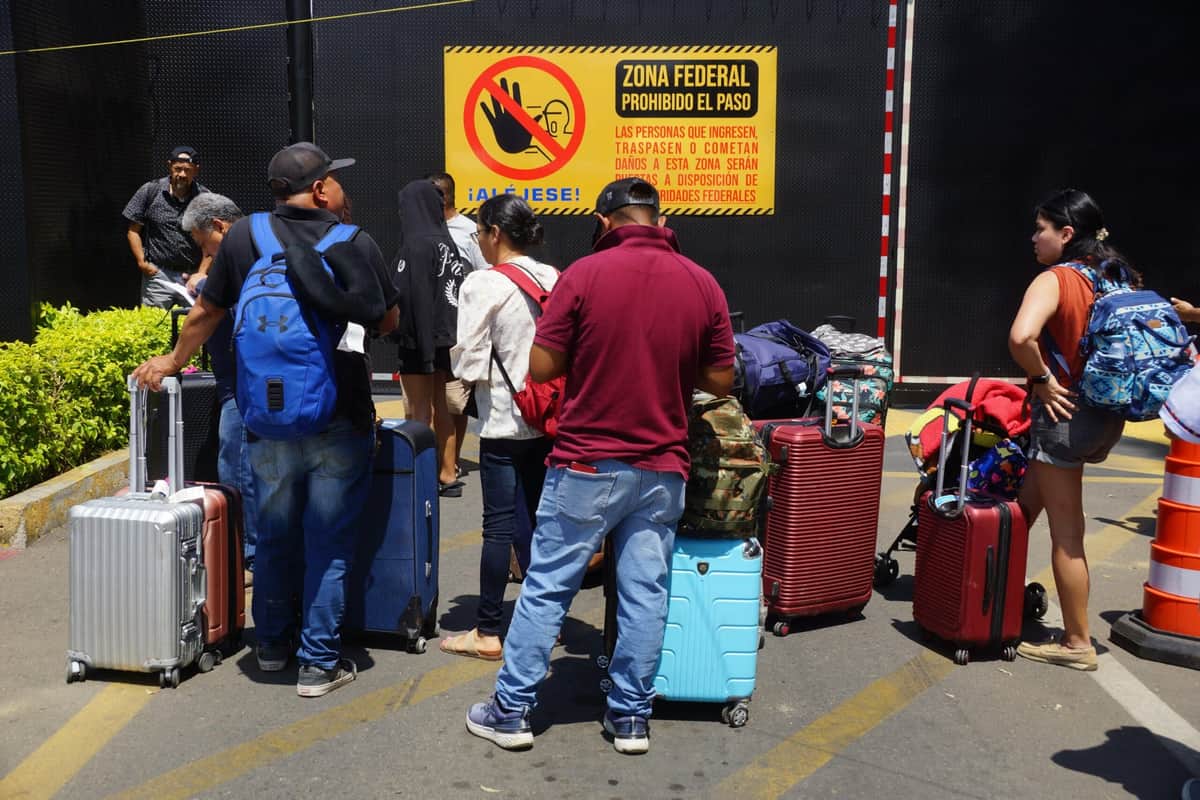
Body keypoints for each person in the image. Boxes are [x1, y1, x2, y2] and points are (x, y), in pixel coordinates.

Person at [464, 178, 735, 754]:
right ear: (659, 221)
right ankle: (630, 717)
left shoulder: (583, 275)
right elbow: (720, 379)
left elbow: (542, 368)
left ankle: (511, 710)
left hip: (587, 463)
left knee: (547, 587)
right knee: (645, 593)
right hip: (662, 467)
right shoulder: (701, 281)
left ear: (605, 222)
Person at [133, 142, 399, 698]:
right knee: (328, 541)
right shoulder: (354, 240)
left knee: (274, 536)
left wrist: (174, 360)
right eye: (334, 179)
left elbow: (207, 310)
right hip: (338, 412)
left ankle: (273, 647)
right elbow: (388, 320)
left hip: (266, 414)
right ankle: (318, 664)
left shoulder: (244, 237)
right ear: (320, 189)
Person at [1008, 188, 1131, 672]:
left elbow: (1022, 337)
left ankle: (1077, 642)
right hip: (1106, 416)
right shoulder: (1116, 275)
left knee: (1068, 536)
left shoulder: (1056, 279)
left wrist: (1041, 380)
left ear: (1066, 233)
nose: (1033, 238)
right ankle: (987, 587)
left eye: (1041, 229)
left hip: (1064, 417)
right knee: (1023, 507)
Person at [443, 195, 557, 661]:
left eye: (479, 234)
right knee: (541, 523)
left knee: (498, 526)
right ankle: (543, 623)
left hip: (504, 422)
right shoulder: (551, 277)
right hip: (546, 419)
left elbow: (468, 361)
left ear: (495, 233)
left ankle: (488, 630)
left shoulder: (482, 283)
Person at [179, 192, 257, 586]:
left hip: (243, 383)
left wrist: (207, 288)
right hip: (243, 379)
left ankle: (248, 556)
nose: (205, 253)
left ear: (219, 226)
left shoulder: (243, 253)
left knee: (237, 467)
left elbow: (224, 308)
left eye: (203, 242)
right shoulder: (260, 242)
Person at [392, 179, 468, 496]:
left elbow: (408, 296)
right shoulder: (447, 242)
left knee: (417, 411)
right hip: (447, 337)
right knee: (443, 407)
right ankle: (448, 473)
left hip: (418, 337)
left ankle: (420, 478)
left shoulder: (414, 246)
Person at [427, 172, 489, 486]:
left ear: (445, 197)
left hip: (460, 328)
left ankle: (451, 460)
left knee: (455, 401)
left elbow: (485, 272)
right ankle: (438, 461)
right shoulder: (422, 229)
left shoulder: (468, 231)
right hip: (429, 327)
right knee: (429, 401)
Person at [124, 145, 212, 308]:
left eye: (187, 170)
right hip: (159, 276)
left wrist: (201, 273)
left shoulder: (205, 198)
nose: (182, 174)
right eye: (178, 169)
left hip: (191, 276)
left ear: (196, 170)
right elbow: (133, 231)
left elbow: (212, 240)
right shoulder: (150, 190)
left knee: (191, 322)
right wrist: (142, 262)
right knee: (153, 321)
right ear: (170, 166)